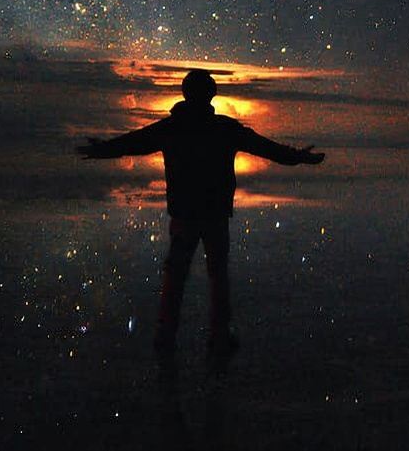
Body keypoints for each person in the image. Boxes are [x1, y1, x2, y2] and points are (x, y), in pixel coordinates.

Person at [77, 68, 324, 364]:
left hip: (184, 213)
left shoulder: (173, 128)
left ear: (184, 93)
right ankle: (217, 336)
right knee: (217, 275)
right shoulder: (224, 128)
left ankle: (166, 336)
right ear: (212, 94)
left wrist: (102, 150)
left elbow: (133, 142)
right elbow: (268, 149)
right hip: (215, 213)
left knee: (177, 275)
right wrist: (299, 157)